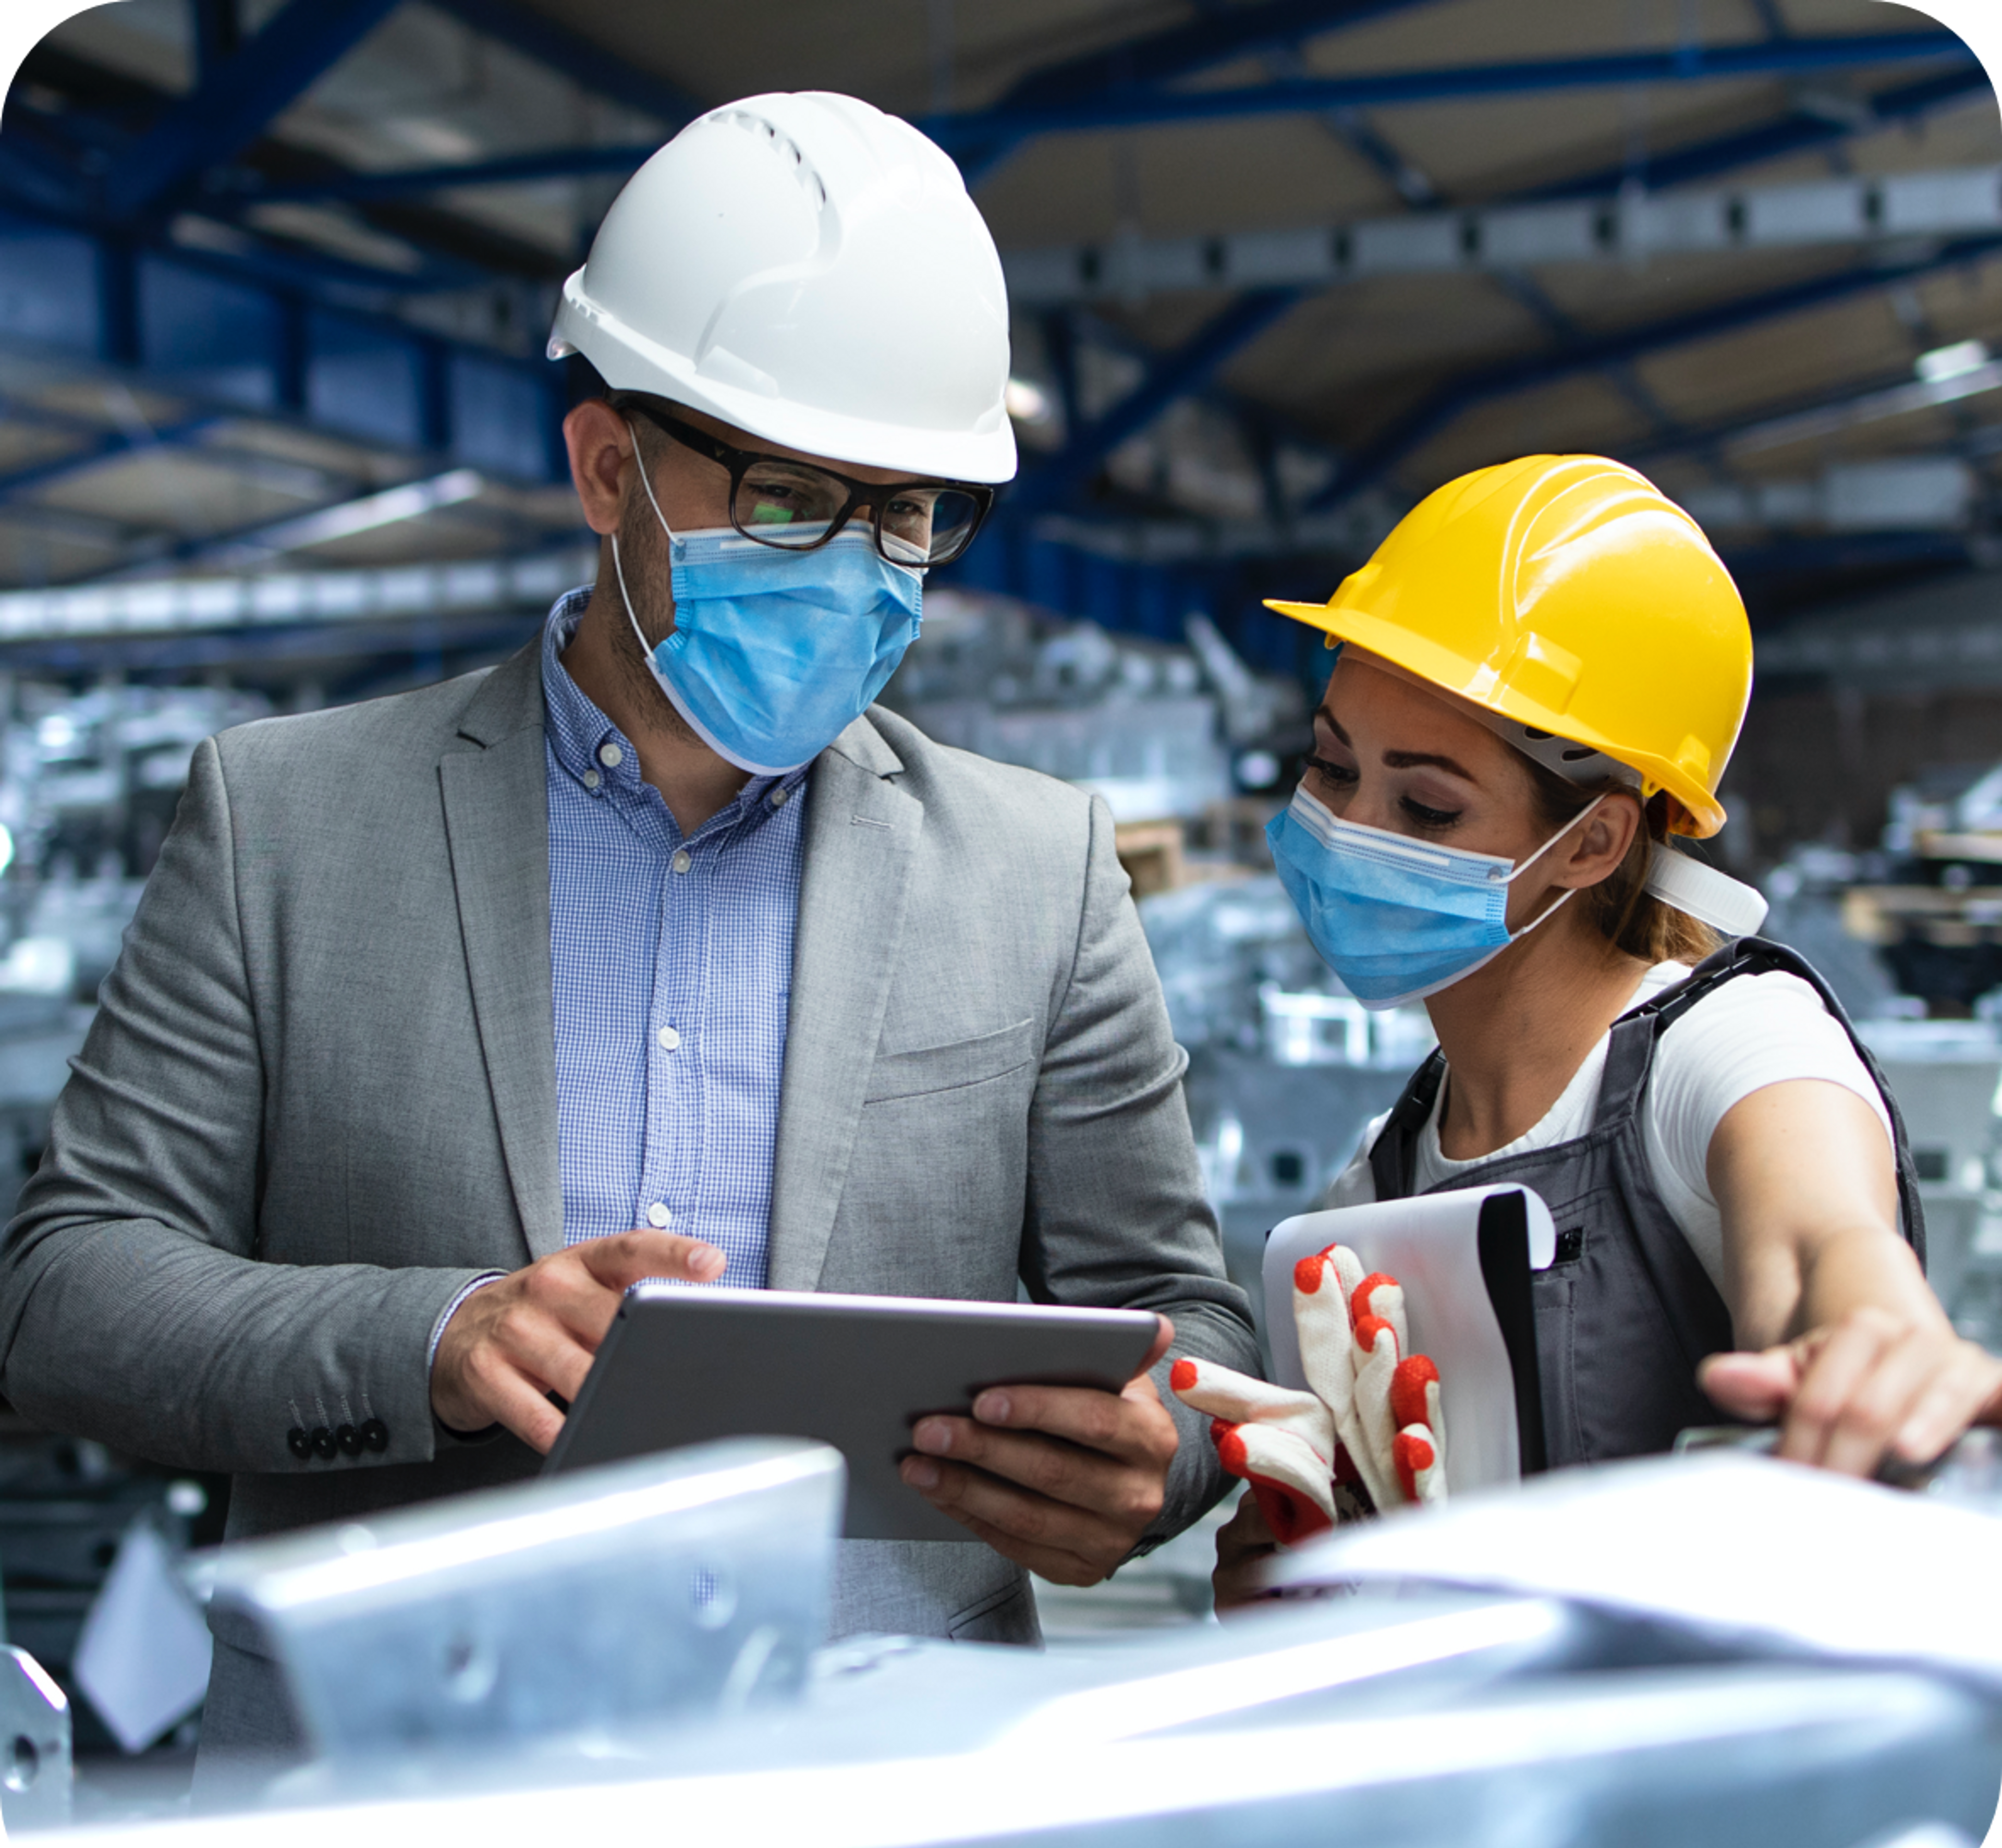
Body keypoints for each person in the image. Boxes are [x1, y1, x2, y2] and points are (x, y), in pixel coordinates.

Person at [0, 93, 1257, 1758]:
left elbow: (1191, 1323)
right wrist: (437, 1338)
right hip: (389, 1798)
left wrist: (1153, 1462)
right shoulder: (285, 822)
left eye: (912, 519)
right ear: (610, 470)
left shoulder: (1037, 871)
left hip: (879, 1793)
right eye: (802, 503)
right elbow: (67, 1296)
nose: (869, 573)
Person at [1198, 454, 2002, 1605]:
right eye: (1331, 767)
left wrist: (1878, 1340)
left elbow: (1825, 1240)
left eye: (1426, 804)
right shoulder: (1370, 1189)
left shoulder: (1730, 1051)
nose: (1347, 829)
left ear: (1592, 843)